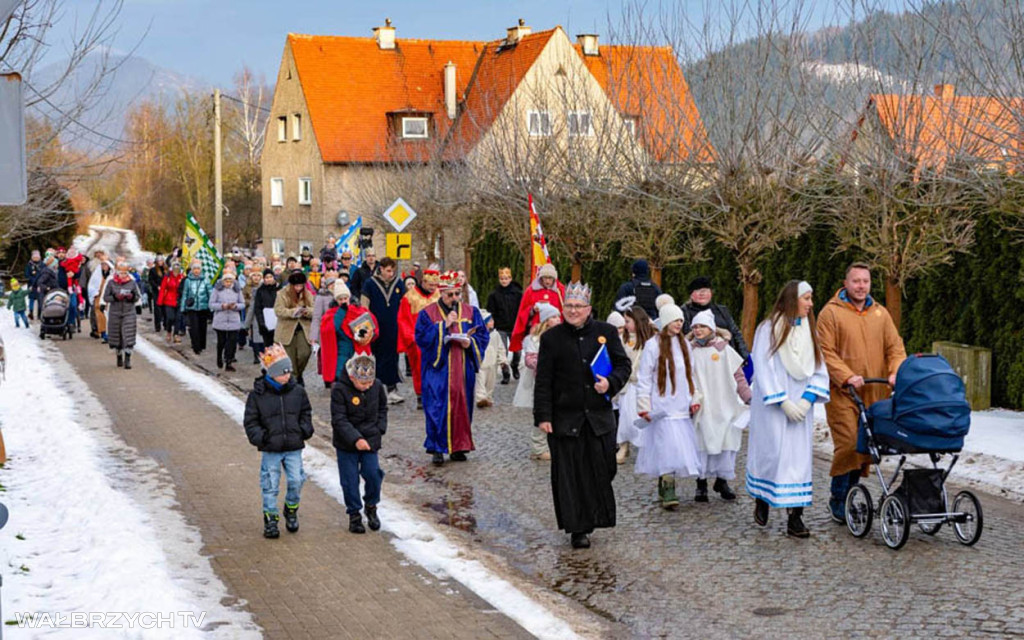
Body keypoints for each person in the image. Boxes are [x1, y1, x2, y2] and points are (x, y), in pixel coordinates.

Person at [534, 282, 631, 549]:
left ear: (588, 309)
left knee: (603, 469)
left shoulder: (606, 333)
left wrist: (610, 383)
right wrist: (543, 415)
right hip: (566, 418)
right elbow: (543, 380)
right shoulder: (551, 339)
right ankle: (578, 527)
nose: (573, 311)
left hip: (599, 418)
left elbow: (623, 364)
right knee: (570, 475)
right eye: (569, 306)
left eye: (578, 307)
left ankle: (592, 515)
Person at [817, 263, 906, 523]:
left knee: (864, 447)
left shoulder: (880, 313)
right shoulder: (830, 314)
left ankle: (850, 494)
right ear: (845, 283)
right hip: (843, 392)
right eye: (855, 281)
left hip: (875, 391)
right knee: (847, 444)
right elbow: (826, 352)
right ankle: (838, 497)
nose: (861, 286)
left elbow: (895, 347)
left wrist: (895, 371)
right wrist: (846, 376)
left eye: (865, 281)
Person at [746, 280, 831, 538]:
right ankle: (763, 497)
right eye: (806, 298)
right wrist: (782, 401)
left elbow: (819, 366)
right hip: (773, 409)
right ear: (792, 299)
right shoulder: (768, 329)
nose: (810, 304)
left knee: (798, 461)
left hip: (800, 410)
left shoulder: (809, 330)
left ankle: (796, 516)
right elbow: (762, 366)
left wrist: (807, 399)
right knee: (772, 455)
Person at [415, 271, 489, 466]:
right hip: (438, 369)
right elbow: (421, 338)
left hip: (462, 367)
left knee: (461, 406)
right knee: (437, 407)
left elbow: (482, 336)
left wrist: (470, 342)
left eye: (457, 294)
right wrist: (442, 327)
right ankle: (437, 448)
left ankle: (459, 446)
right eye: (450, 295)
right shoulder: (427, 313)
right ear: (441, 293)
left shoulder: (471, 312)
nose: (454, 298)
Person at [635, 303, 703, 510]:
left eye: (681, 320)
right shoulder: (653, 346)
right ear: (665, 321)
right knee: (666, 445)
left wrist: (694, 398)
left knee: (677, 446)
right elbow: (644, 377)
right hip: (662, 405)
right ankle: (668, 486)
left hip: (680, 405)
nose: (679, 324)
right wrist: (644, 404)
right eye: (675, 320)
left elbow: (691, 375)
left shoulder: (685, 345)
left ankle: (667, 481)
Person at [243, 344, 314, 539]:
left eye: (289, 372)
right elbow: (251, 421)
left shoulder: (297, 392)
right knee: (270, 485)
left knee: (296, 480)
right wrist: (262, 438)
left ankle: (291, 509)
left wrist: (304, 430)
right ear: (272, 374)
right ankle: (270, 519)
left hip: (293, 446)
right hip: (271, 448)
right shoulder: (257, 395)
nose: (287, 376)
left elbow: (306, 413)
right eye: (283, 373)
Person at [687, 309, 751, 502]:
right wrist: (692, 399)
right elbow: (687, 378)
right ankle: (701, 483)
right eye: (695, 327)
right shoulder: (690, 352)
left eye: (702, 326)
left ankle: (722, 480)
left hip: (725, 403)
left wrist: (748, 397)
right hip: (703, 405)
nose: (698, 330)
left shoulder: (724, 350)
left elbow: (738, 376)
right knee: (703, 442)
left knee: (727, 441)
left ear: (711, 328)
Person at [331, 354, 388, 534]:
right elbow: (339, 419)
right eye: (363, 384)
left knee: (373, 474)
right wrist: (356, 439)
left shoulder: (377, 386)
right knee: (349, 480)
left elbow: (382, 409)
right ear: (353, 377)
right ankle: (354, 514)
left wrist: (379, 429)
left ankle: (371, 505)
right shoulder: (340, 389)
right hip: (346, 443)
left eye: (370, 382)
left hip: (370, 439)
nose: (368, 386)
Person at [513, 302, 560, 460]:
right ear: (546, 320)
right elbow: (530, 360)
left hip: (558, 381)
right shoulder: (534, 339)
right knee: (541, 411)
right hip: (541, 380)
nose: (558, 319)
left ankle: (552, 443)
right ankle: (538, 448)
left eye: (558, 316)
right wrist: (545, 364)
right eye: (554, 317)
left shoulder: (561, 337)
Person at [360, 257, 406, 404]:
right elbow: (364, 305)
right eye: (388, 271)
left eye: (393, 270)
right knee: (377, 357)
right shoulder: (370, 284)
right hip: (376, 327)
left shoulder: (398, 283)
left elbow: (405, 303)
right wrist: (366, 325)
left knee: (393, 357)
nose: (391, 273)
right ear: (381, 269)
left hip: (393, 326)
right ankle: (376, 390)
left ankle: (392, 389)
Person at [614, 307, 657, 464]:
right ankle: (624, 446)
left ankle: (647, 448)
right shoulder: (622, 339)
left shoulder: (651, 340)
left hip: (644, 385)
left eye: (628, 321)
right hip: (628, 385)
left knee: (643, 417)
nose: (625, 325)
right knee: (626, 417)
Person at [319, 281, 378, 387]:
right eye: (340, 299)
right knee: (342, 379)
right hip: (341, 351)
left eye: (345, 298)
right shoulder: (332, 314)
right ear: (336, 300)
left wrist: (370, 335)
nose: (343, 301)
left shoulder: (359, 311)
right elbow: (329, 330)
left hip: (359, 350)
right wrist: (341, 312)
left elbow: (373, 326)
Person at [397, 269, 441, 409]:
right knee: (419, 368)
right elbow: (403, 319)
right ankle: (421, 394)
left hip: (436, 338)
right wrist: (412, 337)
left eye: (435, 285)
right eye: (430, 284)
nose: (433, 288)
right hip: (418, 340)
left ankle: (436, 393)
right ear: (423, 282)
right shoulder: (410, 297)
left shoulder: (439, 295)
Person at [681, 276, 749, 366]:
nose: (702, 294)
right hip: (700, 361)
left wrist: (744, 356)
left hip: (726, 358)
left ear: (711, 293)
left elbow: (735, 333)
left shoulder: (722, 310)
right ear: (691, 295)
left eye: (705, 290)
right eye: (697, 291)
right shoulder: (684, 312)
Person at [509, 263, 565, 354]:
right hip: (536, 329)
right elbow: (522, 312)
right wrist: (532, 310)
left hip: (555, 329)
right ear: (540, 277)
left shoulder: (560, 290)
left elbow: (564, 310)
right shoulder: (531, 290)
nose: (547, 281)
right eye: (545, 278)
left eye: (550, 278)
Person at [274, 270, 315, 386]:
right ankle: (294, 378)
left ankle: (298, 374)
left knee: (304, 353)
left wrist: (307, 312)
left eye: (301, 286)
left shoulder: (308, 294)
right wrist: (293, 312)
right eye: (296, 286)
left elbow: (314, 309)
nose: (298, 288)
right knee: (289, 357)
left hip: (303, 329)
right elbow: (278, 310)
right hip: (287, 330)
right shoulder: (282, 293)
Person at [486, 267, 524, 384]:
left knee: (517, 350)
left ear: (510, 279)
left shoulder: (517, 294)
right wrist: (492, 323)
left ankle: (515, 365)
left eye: (506, 278)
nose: (504, 281)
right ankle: (505, 372)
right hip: (501, 326)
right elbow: (490, 310)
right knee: (503, 352)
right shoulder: (494, 295)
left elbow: (522, 309)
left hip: (515, 326)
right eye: (502, 279)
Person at [102, 260, 143, 369]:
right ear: (117, 272)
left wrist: (132, 297)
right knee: (117, 335)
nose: (123, 275)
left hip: (129, 311)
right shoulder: (111, 282)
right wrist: (115, 297)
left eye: (125, 273)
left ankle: (128, 357)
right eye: (121, 273)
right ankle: (119, 354)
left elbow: (137, 296)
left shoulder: (132, 282)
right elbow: (106, 297)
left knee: (128, 334)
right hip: (115, 311)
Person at [210, 272, 246, 371]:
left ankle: (229, 361)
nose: (228, 282)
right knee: (221, 341)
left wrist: (235, 306)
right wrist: (222, 306)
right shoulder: (217, 289)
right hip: (220, 319)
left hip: (233, 319)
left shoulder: (237, 290)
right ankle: (219, 357)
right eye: (226, 280)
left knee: (232, 342)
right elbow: (212, 304)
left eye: (230, 280)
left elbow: (242, 303)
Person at [474, 310, 506, 409]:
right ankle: (480, 398)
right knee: (480, 381)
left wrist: (503, 360)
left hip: (492, 363)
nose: (493, 322)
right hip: (481, 363)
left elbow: (500, 348)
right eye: (490, 321)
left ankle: (488, 398)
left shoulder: (496, 335)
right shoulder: (478, 335)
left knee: (490, 382)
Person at [180, 261, 213, 355]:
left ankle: (202, 345)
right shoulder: (188, 281)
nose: (196, 271)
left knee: (202, 327)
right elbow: (185, 294)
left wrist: (211, 307)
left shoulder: (206, 280)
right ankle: (196, 346)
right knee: (194, 328)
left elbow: (210, 293)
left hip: (203, 307)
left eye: (198, 269)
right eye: (194, 269)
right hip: (192, 307)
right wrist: (183, 307)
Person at [251, 269, 280, 355]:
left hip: (278, 321)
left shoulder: (279, 289)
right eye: (266, 277)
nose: (269, 279)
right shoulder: (260, 291)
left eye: (270, 277)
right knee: (268, 347)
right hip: (266, 322)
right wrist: (261, 323)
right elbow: (257, 308)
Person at [88, 255, 113, 343]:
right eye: (102, 265)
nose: (103, 267)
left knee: (109, 316)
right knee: (100, 316)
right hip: (99, 297)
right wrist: (95, 293)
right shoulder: (97, 273)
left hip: (109, 299)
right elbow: (92, 285)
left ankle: (111, 334)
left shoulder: (112, 275)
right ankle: (103, 333)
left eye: (105, 265)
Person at [158, 262, 183, 343]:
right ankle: (169, 331)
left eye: (178, 270)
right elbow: (162, 289)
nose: (176, 271)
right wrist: (160, 301)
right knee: (170, 317)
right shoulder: (168, 277)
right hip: (169, 300)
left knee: (178, 318)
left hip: (179, 300)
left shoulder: (182, 277)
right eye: (175, 269)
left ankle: (176, 334)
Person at [148, 256, 166, 332]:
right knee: (157, 309)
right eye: (159, 261)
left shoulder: (166, 270)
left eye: (161, 261)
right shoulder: (153, 270)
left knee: (165, 308)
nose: (160, 262)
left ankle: (166, 324)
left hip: (165, 291)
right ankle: (157, 326)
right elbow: (151, 280)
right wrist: (156, 286)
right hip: (157, 291)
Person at [24, 250, 42, 320]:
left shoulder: (42, 264)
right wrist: (32, 280)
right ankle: (31, 312)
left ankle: (39, 313)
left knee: (40, 299)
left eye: (37, 257)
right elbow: (26, 275)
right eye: (34, 257)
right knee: (31, 299)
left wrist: (40, 280)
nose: (36, 258)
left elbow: (44, 272)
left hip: (40, 284)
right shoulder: (29, 265)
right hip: (31, 285)